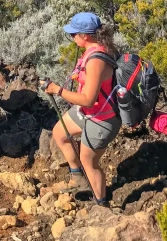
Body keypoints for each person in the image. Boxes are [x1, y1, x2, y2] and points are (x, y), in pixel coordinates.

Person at [43, 12, 120, 206]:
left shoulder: (96, 60)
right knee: (60, 133)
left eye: (73, 34)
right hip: (88, 112)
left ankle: (101, 204)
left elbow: (87, 99)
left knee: (90, 162)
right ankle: (78, 178)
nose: (72, 37)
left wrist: (57, 90)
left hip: (102, 120)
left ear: (85, 35)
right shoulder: (91, 50)